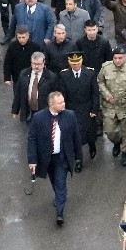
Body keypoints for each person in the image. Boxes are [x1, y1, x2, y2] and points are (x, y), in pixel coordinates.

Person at [28, 91, 83, 226]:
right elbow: (32, 139)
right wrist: (32, 160)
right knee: (54, 180)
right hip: (47, 158)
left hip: (62, 158)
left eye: (63, 101)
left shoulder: (70, 116)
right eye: (60, 103)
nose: (63, 104)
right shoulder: (38, 118)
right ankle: (59, 198)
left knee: (60, 182)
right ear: (51, 104)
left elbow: (76, 137)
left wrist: (78, 156)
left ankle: (59, 212)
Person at [98, 46, 126, 167]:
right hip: (110, 106)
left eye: (120, 58)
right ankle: (116, 142)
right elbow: (100, 81)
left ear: (125, 57)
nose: (117, 60)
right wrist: (107, 95)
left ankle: (125, 153)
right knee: (110, 131)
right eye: (115, 58)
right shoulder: (106, 67)